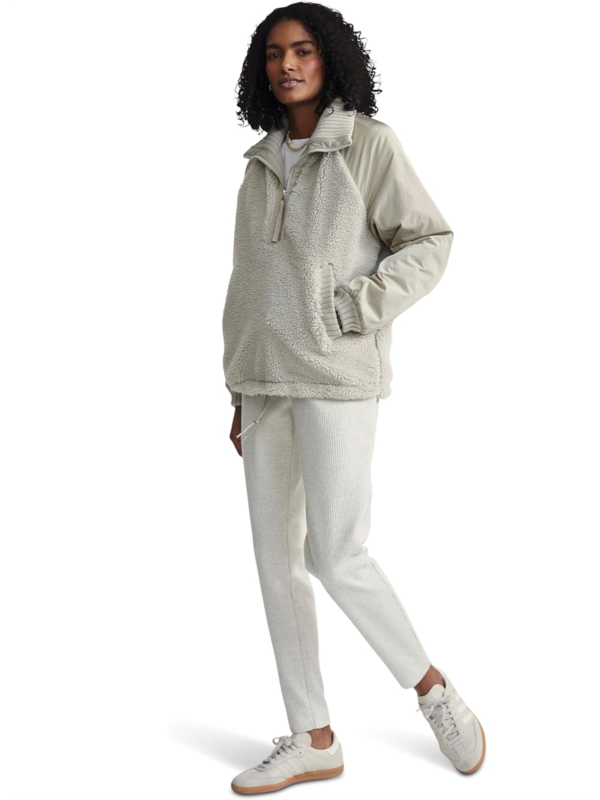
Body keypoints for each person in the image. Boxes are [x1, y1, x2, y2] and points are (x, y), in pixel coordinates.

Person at [221, 4, 485, 793]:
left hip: (335, 377)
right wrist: (238, 383)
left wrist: (356, 308)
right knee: (276, 564)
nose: (287, 65)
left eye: (302, 50)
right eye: (274, 53)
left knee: (336, 554)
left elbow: (429, 240)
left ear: (330, 59)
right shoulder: (259, 162)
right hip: (264, 382)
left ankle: (433, 691)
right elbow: (248, 283)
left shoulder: (368, 144)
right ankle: (314, 737)